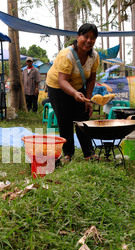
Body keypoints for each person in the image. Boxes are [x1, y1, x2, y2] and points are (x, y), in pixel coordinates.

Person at [45, 23, 100, 162]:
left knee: (83, 118)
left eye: (92, 38)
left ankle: (89, 153)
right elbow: (62, 81)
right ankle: (68, 154)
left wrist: (88, 100)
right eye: (85, 36)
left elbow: (92, 79)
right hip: (57, 86)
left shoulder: (94, 56)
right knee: (65, 119)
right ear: (78, 37)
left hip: (77, 85)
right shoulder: (66, 55)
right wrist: (75, 94)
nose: (88, 41)